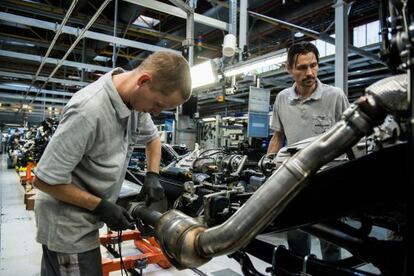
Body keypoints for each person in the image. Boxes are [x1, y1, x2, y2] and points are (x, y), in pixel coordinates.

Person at [33, 51, 192, 275]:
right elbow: (43, 180)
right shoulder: (89, 110)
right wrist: (101, 206)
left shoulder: (134, 102)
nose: (156, 113)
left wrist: (152, 175)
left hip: (85, 218)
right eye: (158, 104)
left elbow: (153, 139)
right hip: (66, 225)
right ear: (144, 81)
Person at [268, 42, 349, 261]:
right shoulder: (282, 99)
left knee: (332, 239)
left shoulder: (335, 96)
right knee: (296, 234)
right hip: (295, 179)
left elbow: (351, 137)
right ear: (289, 69)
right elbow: (278, 136)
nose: (309, 73)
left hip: (329, 178)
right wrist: (268, 166)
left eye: (313, 65)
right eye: (302, 68)